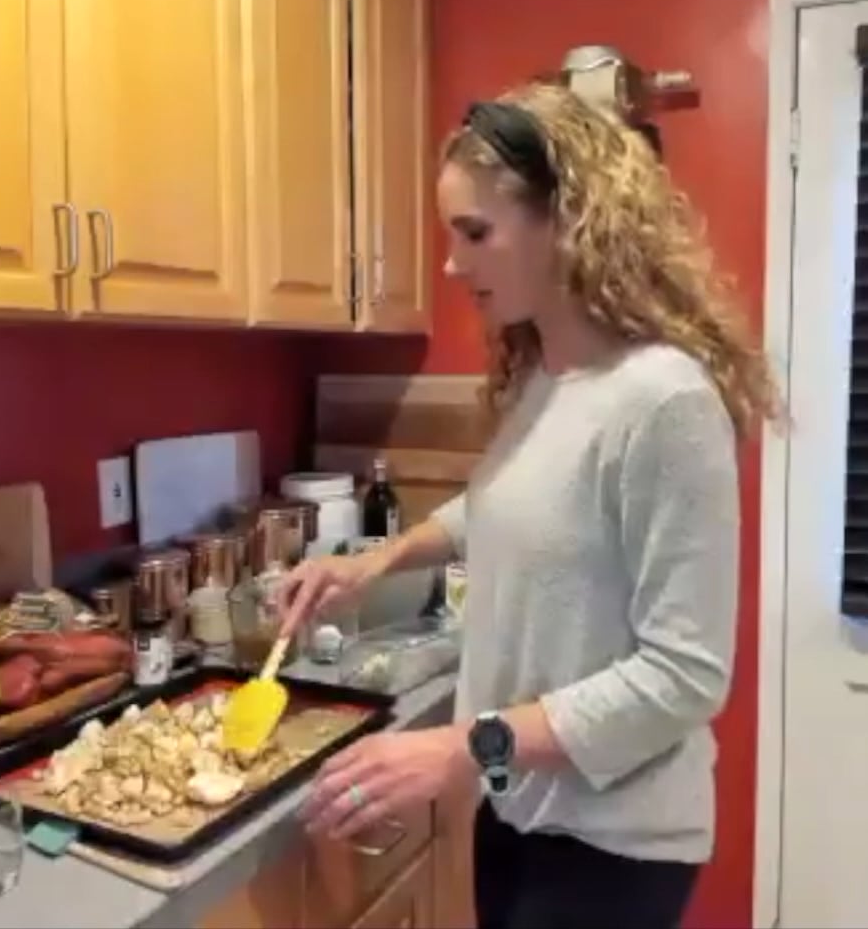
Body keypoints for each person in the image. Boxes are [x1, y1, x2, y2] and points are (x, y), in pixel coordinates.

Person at [279, 83, 779, 929]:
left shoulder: (663, 400)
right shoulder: (545, 378)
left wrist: (464, 746)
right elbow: (501, 508)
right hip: (518, 804)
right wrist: (375, 563)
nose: (451, 263)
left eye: (475, 232)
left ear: (566, 221)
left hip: (612, 844)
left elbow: (685, 677)